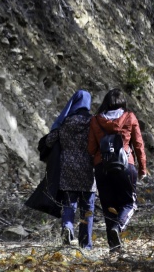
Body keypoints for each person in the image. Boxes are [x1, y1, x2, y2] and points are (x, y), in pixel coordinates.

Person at [88, 88, 147, 253]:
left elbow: (91, 148)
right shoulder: (129, 117)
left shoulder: (95, 120)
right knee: (129, 203)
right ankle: (118, 227)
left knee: (108, 207)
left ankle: (114, 248)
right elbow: (138, 145)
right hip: (125, 165)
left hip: (102, 167)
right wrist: (142, 168)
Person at [43, 89, 96, 248]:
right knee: (87, 207)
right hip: (88, 169)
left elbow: (49, 141)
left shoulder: (65, 122)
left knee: (69, 203)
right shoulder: (93, 123)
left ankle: (68, 226)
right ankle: (85, 243)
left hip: (67, 168)